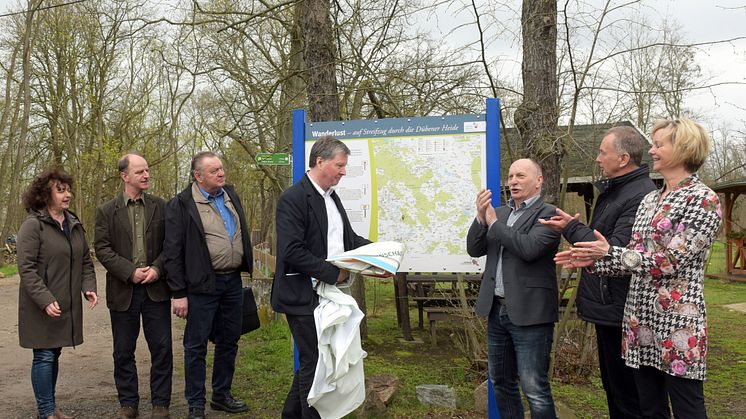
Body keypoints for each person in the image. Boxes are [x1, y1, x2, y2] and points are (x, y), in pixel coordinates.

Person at [555, 118, 721, 418]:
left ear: (683, 149)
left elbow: (670, 261)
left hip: (677, 323)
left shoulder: (703, 200)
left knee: (687, 408)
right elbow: (632, 258)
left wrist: (608, 253)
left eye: (659, 145)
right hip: (640, 321)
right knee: (649, 407)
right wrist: (594, 260)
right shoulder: (648, 200)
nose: (651, 150)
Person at [539, 126, 655, 418]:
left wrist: (570, 227)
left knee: (629, 397)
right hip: (610, 308)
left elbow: (612, 251)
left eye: (603, 152)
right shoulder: (617, 191)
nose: (597, 158)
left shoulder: (639, 195)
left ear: (624, 158)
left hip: (623, 311)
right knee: (615, 391)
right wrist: (573, 228)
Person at [271, 136, 370, 418]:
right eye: (339, 165)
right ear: (320, 161)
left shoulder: (331, 197)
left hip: (327, 295)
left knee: (312, 362)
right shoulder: (293, 198)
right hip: (301, 296)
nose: (343, 171)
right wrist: (333, 274)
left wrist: (378, 255)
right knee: (316, 364)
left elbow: (347, 240)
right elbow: (291, 251)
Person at [466, 158, 561, 419]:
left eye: (520, 176)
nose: (513, 182)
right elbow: (475, 249)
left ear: (538, 180)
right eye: (510, 176)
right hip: (497, 310)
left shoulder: (550, 214)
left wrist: (494, 224)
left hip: (531, 313)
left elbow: (529, 249)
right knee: (501, 383)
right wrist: (480, 217)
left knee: (534, 387)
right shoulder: (501, 213)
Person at [164, 151, 253, 419]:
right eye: (214, 171)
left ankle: (222, 395)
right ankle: (196, 404)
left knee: (229, 340)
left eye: (221, 169)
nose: (221, 173)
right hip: (203, 285)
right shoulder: (181, 204)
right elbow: (172, 250)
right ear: (198, 176)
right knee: (196, 345)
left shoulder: (230, 195)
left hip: (232, 282)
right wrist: (178, 293)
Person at [94, 154, 172, 419]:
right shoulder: (106, 211)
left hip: (156, 288)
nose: (146, 175)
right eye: (140, 171)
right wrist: (130, 272)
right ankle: (128, 405)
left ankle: (161, 404)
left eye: (147, 170)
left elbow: (171, 245)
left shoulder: (162, 207)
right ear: (124, 176)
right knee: (123, 351)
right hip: (123, 290)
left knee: (162, 348)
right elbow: (102, 249)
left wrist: (157, 269)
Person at [16, 168, 98, 419]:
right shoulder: (33, 226)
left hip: (66, 304)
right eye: (60, 190)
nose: (67, 194)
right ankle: (47, 412)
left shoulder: (73, 223)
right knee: (43, 355)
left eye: (68, 189)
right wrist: (45, 299)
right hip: (40, 305)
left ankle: (50, 408)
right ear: (44, 195)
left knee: (54, 353)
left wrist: (89, 287)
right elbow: (26, 269)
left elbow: (85, 260)